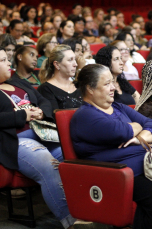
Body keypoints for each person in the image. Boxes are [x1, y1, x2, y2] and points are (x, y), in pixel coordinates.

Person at [71, 63, 152, 229]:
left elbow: (151, 124)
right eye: (107, 84)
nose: (113, 88)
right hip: (118, 174)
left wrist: (141, 136)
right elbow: (121, 132)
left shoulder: (118, 107)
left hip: (150, 166)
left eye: (112, 82)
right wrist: (137, 127)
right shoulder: (85, 115)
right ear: (90, 89)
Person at [0, 47, 75, 229]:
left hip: (44, 134)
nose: (9, 63)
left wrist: (41, 112)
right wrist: (22, 116)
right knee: (50, 166)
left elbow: (44, 100)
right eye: (3, 60)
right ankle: (72, 222)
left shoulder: (19, 83)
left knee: (73, 160)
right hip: (17, 140)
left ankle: (89, 211)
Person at [38, 45, 83, 113]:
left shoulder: (79, 85)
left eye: (75, 60)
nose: (75, 64)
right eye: (70, 60)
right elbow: (55, 118)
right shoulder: (46, 89)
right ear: (57, 64)